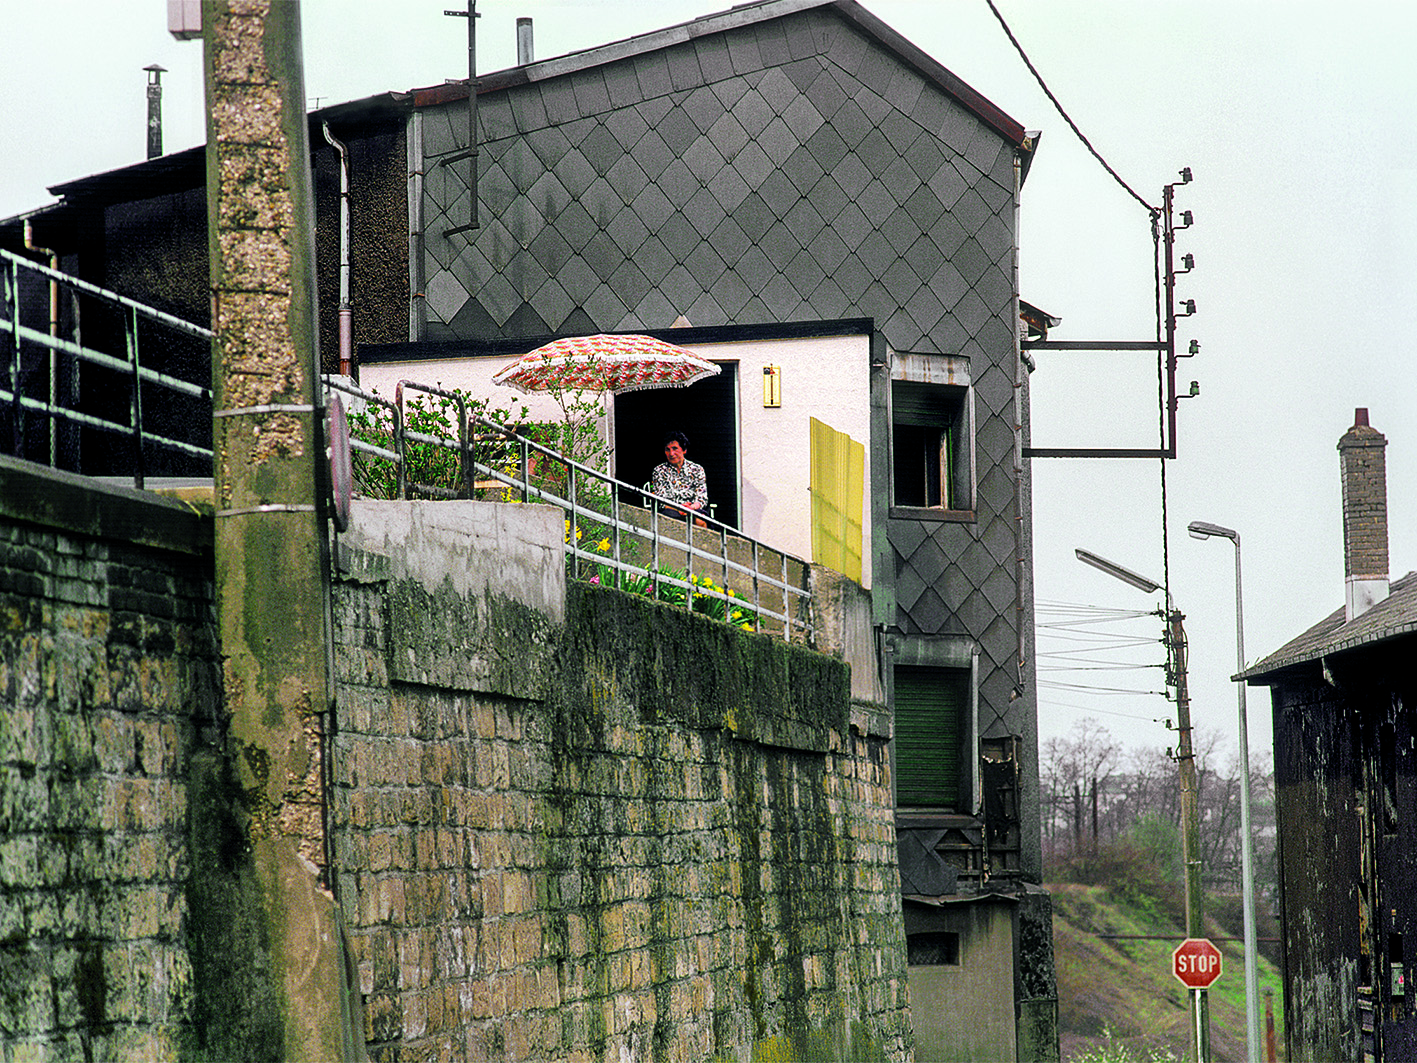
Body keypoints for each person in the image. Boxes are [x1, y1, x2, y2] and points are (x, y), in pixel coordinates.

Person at [650, 430, 708, 525]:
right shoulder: (659, 471)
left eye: (675, 448)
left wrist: (691, 507)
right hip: (671, 510)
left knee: (700, 520)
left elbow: (702, 498)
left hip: (692, 509)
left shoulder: (697, 469)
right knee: (668, 520)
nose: (671, 453)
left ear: (684, 450)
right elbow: (661, 500)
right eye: (667, 450)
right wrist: (679, 508)